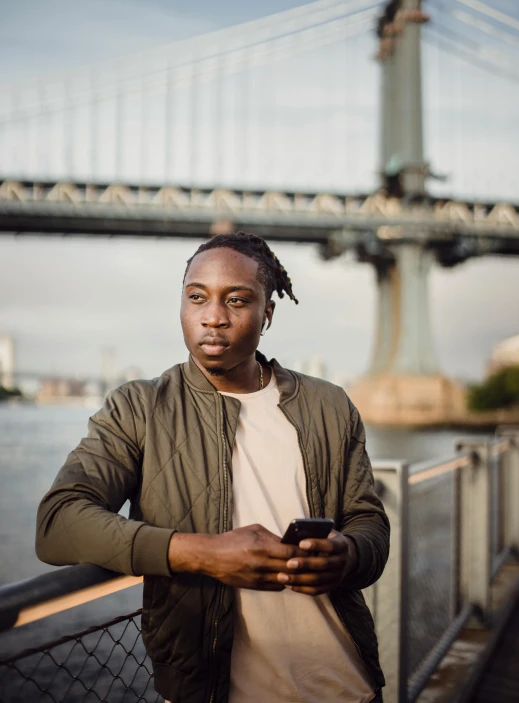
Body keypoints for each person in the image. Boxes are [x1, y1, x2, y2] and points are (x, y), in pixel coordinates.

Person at [36, 232, 390, 703]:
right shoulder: (138, 408)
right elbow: (58, 523)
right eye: (196, 297)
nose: (213, 317)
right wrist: (200, 554)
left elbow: (371, 525)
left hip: (347, 685)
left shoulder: (329, 405)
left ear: (268, 313)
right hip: (211, 692)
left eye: (237, 300)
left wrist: (349, 555)